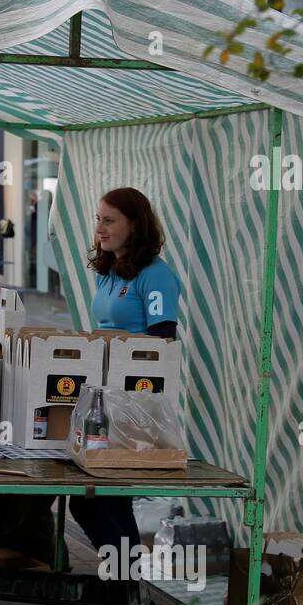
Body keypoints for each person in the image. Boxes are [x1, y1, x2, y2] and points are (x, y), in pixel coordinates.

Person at [73, 186, 181, 552]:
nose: (100, 229)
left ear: (134, 226)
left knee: (93, 501)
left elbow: (164, 342)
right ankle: (127, 594)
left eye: (109, 221)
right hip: (104, 401)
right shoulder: (108, 270)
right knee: (105, 501)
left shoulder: (156, 275)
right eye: (98, 220)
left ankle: (126, 590)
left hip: (134, 402)